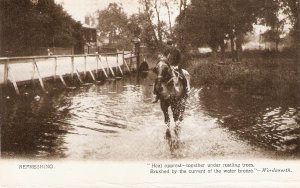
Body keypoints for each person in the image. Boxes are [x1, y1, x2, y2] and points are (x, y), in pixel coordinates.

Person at [152, 39, 188, 103]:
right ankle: (157, 96)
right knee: (158, 79)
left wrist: (177, 66)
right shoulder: (165, 51)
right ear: (167, 45)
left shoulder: (177, 51)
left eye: (170, 45)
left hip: (176, 67)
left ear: (173, 45)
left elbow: (180, 60)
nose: (169, 47)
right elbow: (163, 60)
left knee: (183, 77)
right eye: (168, 45)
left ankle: (185, 92)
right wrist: (162, 62)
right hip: (167, 68)